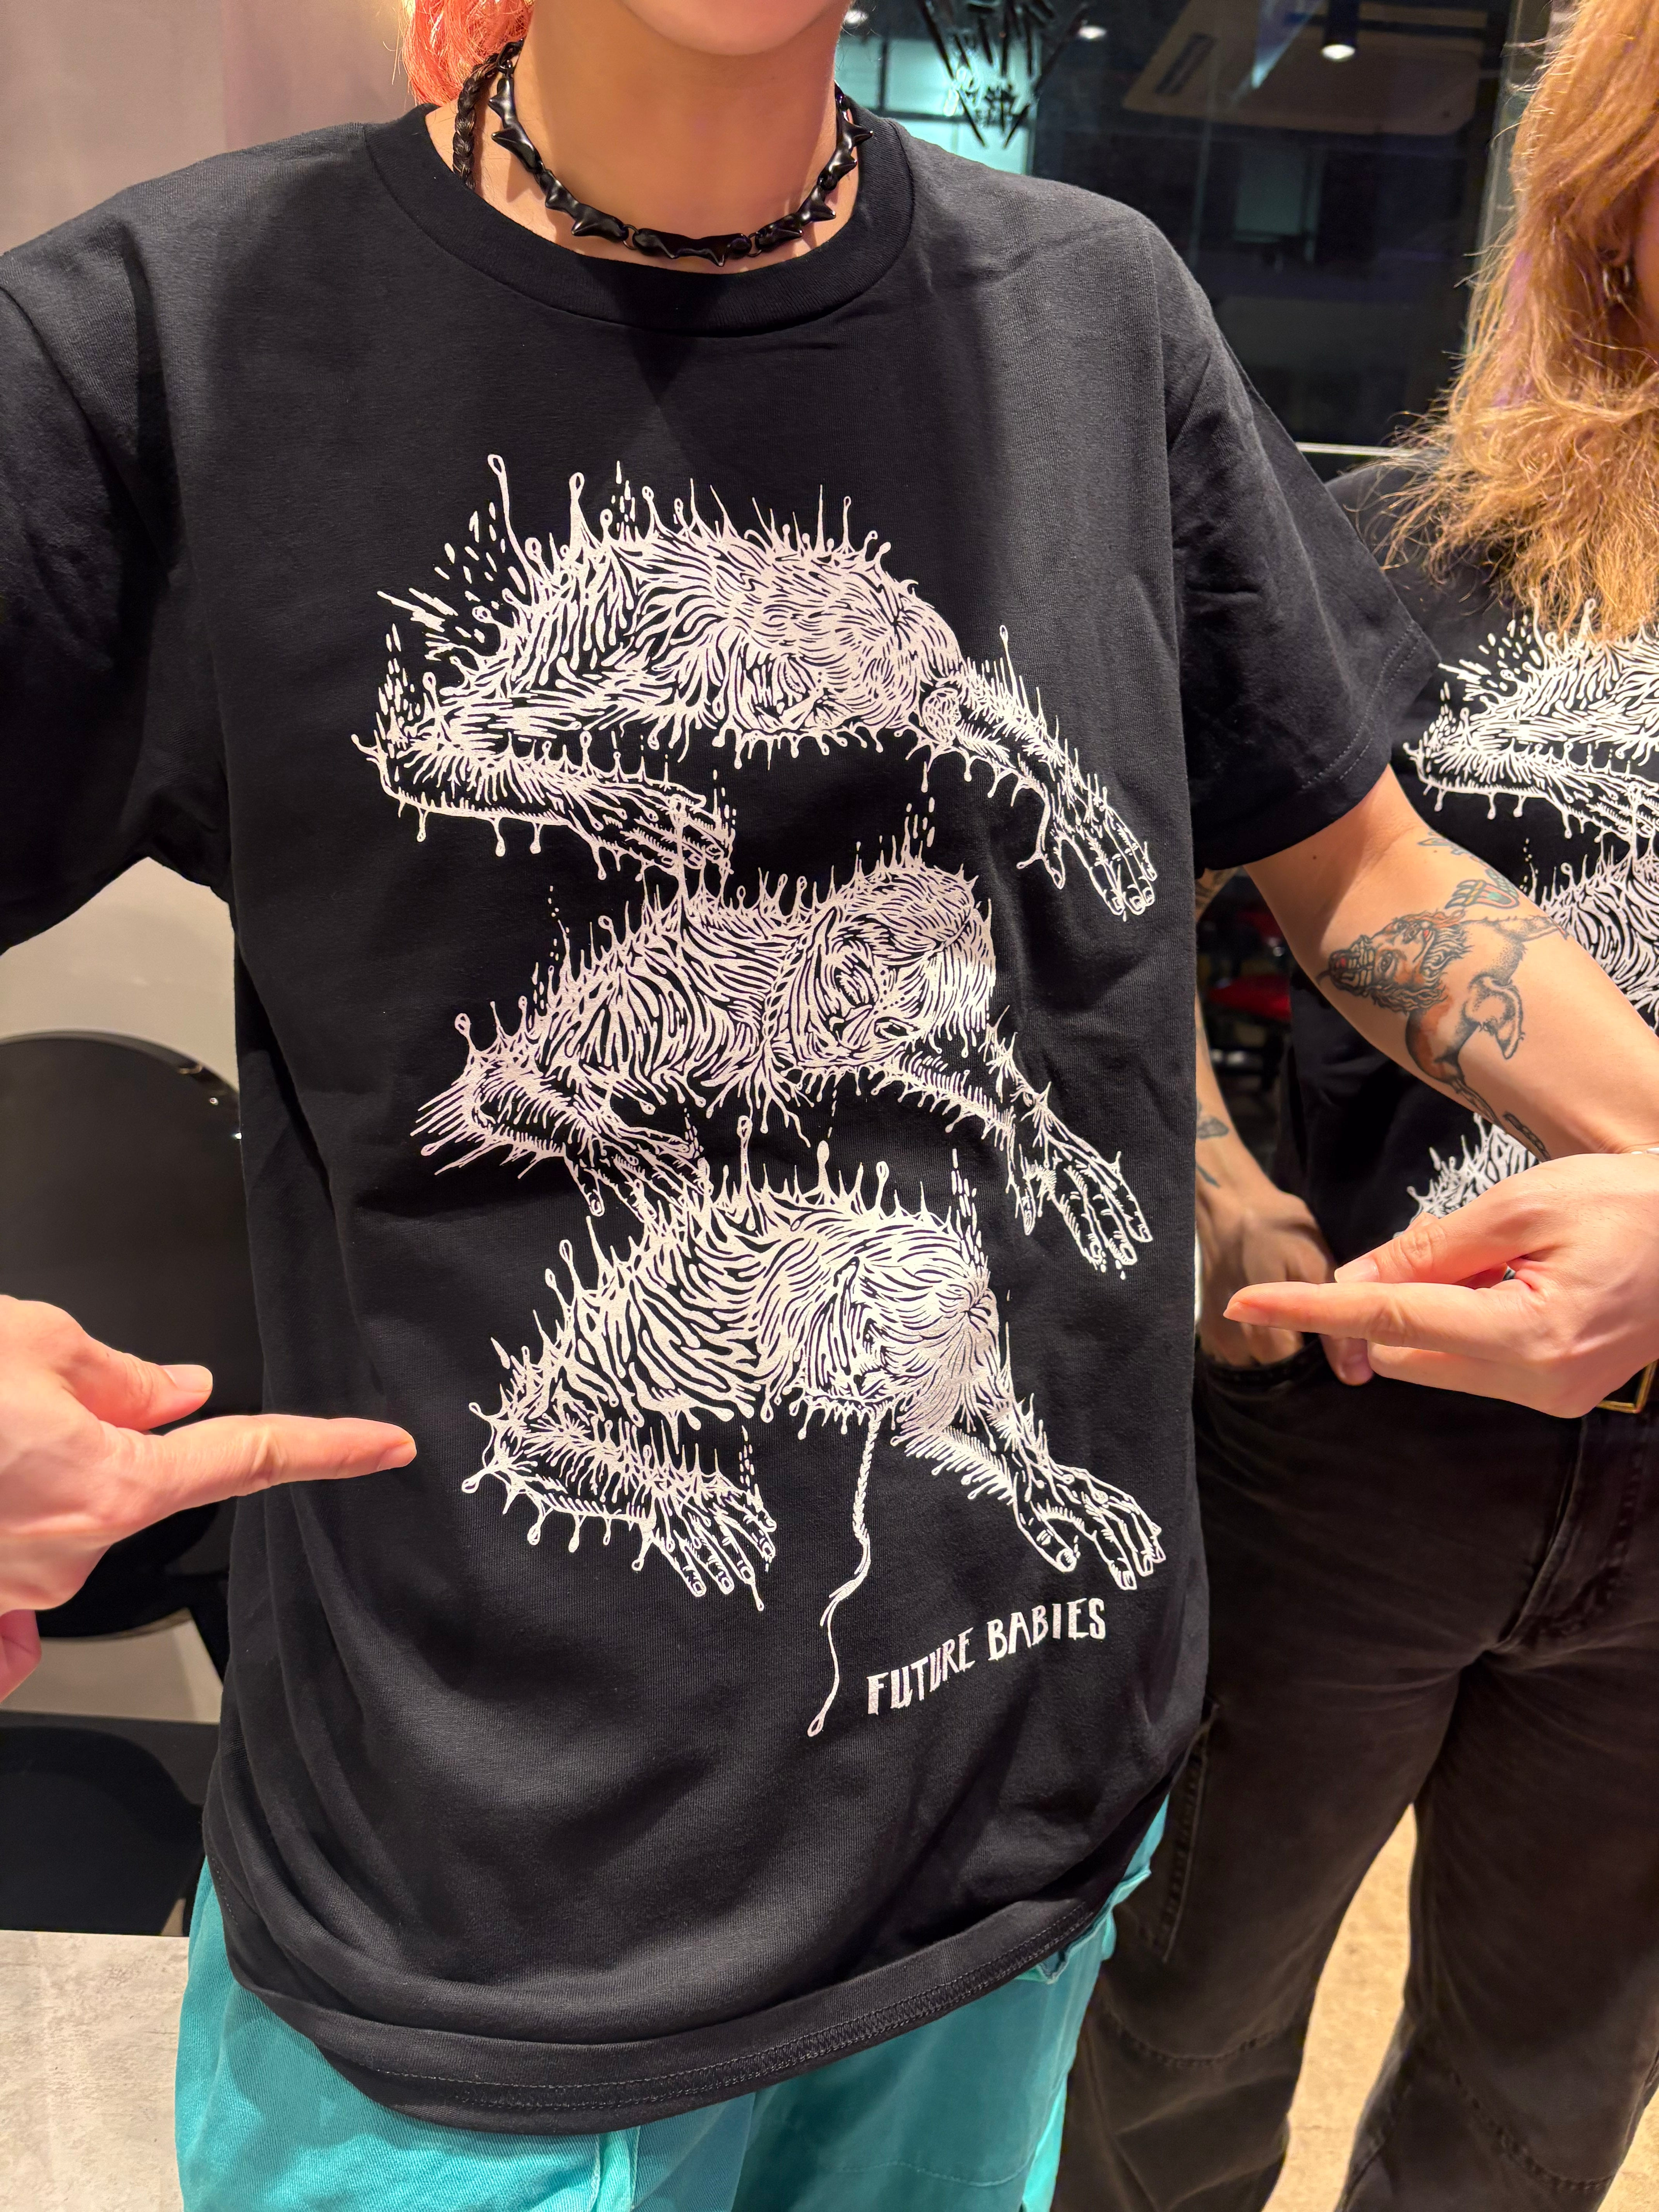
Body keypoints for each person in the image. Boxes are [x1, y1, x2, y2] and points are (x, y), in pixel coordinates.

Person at [3, 3, 1659, 2207]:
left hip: (1005, 1831)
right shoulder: (166, 342)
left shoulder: (1098, 313)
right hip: (479, 1915)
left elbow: (1365, 867)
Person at [1054, 1, 1659, 2205]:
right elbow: (1132, 882)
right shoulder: (1414, 542)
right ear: (1617, 189)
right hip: (1357, 1432)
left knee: (1551, 2076)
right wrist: (1212, 1187)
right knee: (1187, 2009)